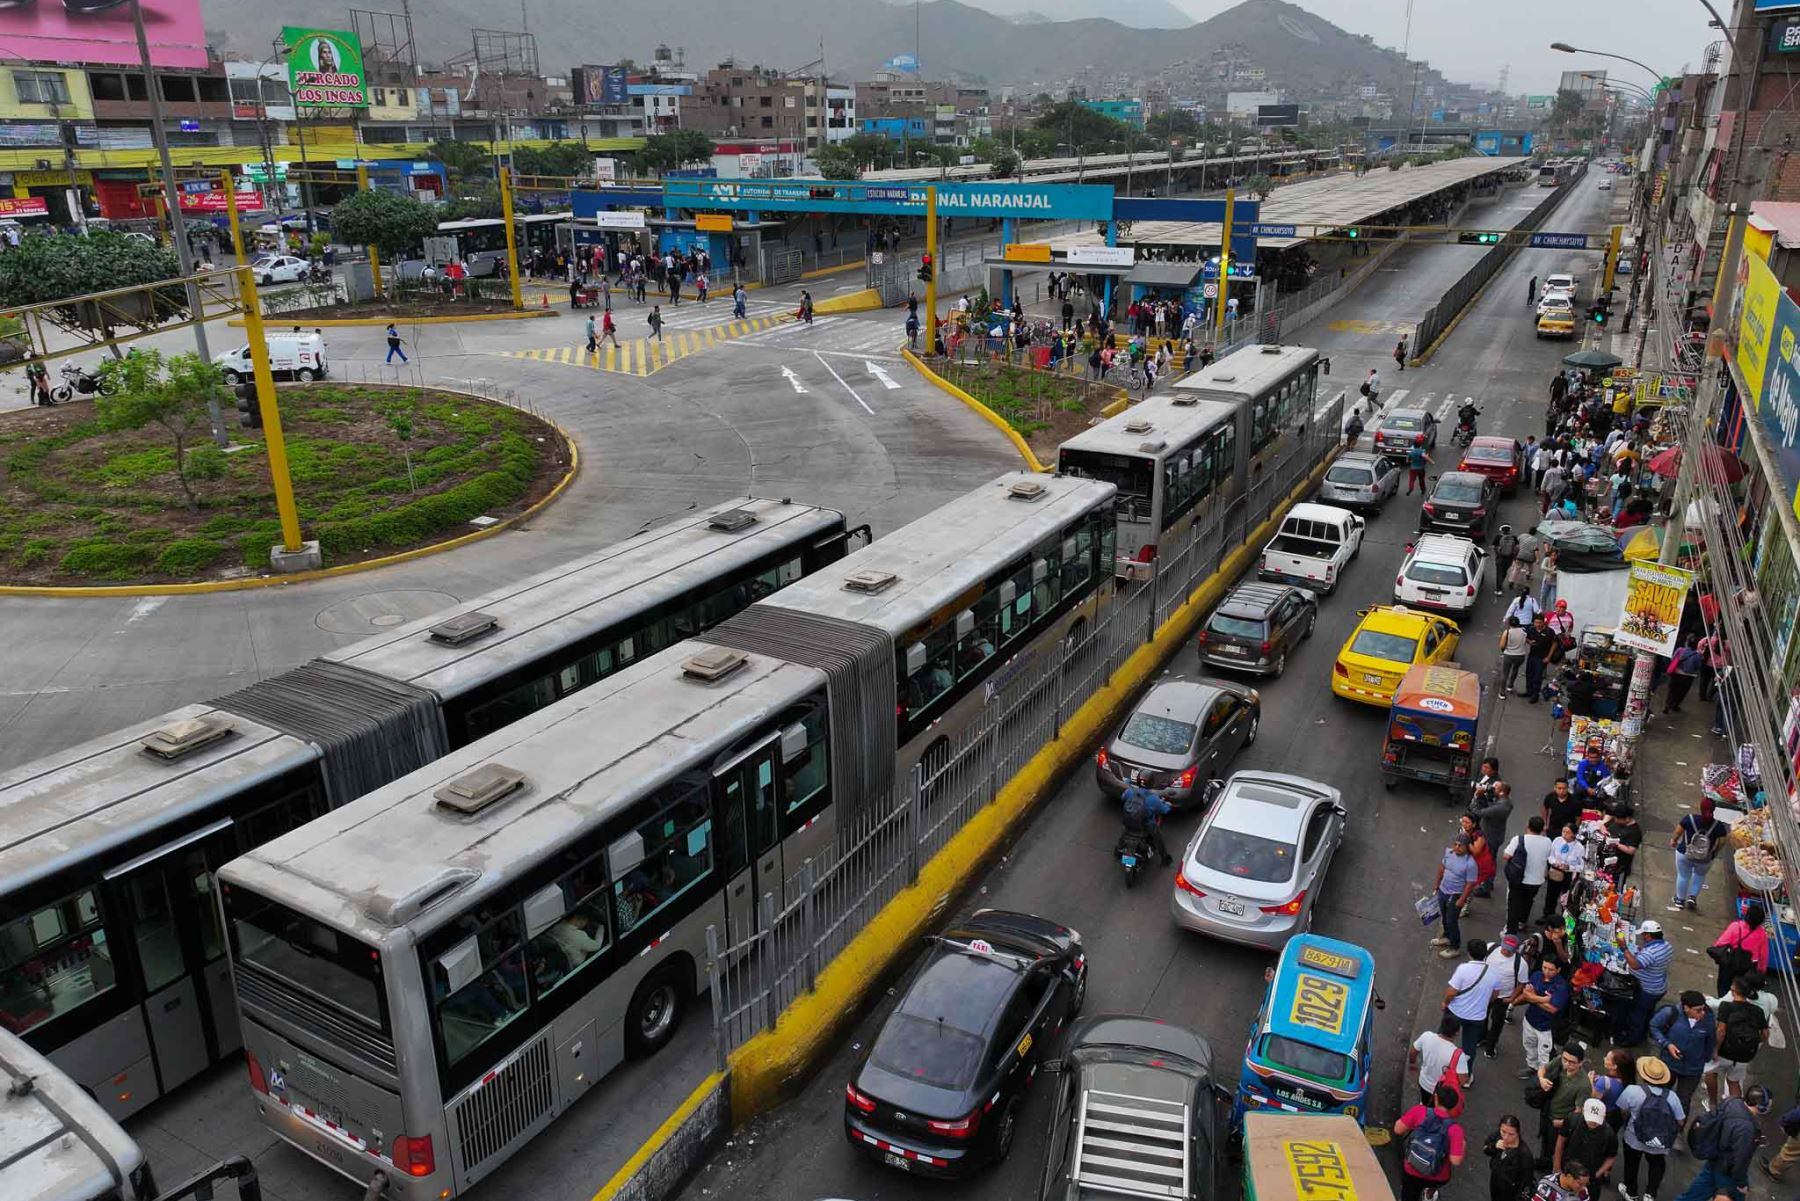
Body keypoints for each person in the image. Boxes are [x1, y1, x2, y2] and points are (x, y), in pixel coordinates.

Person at [1671, 1083, 1770, 1201]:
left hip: (1715, 1158)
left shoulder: (1733, 1102)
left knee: (1695, 1194)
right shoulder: (1747, 1128)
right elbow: (1740, 1160)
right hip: (1727, 1170)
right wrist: (1741, 1184)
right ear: (1760, 1106)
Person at [1618, 1055, 1685, 1201]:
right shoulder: (1672, 1097)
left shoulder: (1632, 1091)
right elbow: (1680, 1121)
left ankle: (1631, 1192)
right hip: (1659, 1142)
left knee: (1631, 1163)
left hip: (1633, 1137)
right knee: (1657, 1165)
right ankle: (1650, 1194)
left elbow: (1623, 1111)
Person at [1650, 991, 1716, 1137]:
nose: (1702, 1013)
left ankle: (1677, 1131)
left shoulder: (1709, 1020)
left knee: (1683, 1101)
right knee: (1660, 1094)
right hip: (1668, 1064)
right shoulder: (1671, 1013)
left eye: (1703, 1009)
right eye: (1698, 1010)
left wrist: (1703, 1059)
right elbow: (1654, 1026)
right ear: (1686, 1008)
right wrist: (1667, 1044)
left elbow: (1710, 1042)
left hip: (1692, 1070)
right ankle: (1653, 1121)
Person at [1393, 1082, 1469, 1201]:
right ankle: (1429, 1193)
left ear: (1436, 1099)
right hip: (1438, 1176)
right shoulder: (1455, 1130)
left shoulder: (1419, 1111)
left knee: (1409, 1194)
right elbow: (1455, 1161)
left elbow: (1398, 1129)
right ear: (1454, 1105)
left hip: (1412, 1168)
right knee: (1433, 1184)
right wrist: (1462, 1145)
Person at [1705, 975, 1770, 1109]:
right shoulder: (1757, 1011)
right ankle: (1734, 1109)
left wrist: (1715, 1050)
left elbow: (1721, 1031)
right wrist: (1754, 1046)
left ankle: (1712, 1103)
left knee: (1710, 1073)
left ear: (1733, 991)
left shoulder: (1726, 1006)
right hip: (1744, 1056)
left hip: (1724, 1052)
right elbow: (1765, 1034)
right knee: (1734, 1083)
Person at [1614, 920, 1672, 1047]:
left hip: (1648, 990)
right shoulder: (1666, 945)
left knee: (1637, 1016)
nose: (1642, 937)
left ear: (1649, 936)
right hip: (1659, 987)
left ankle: (1632, 1039)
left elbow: (1634, 965)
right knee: (1647, 1013)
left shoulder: (1651, 953)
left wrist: (1623, 947)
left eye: (1643, 934)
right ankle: (1643, 1032)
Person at [1537, 1043, 1590, 1170]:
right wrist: (1541, 1080)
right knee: (1544, 1141)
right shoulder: (1561, 1061)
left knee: (1557, 1148)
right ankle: (1544, 1162)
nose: (1567, 1064)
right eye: (1565, 1060)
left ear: (1581, 1063)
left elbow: (1578, 1113)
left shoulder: (1584, 1085)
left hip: (1559, 1122)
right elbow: (1543, 1069)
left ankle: (1553, 1170)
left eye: (1572, 1062)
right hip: (1547, 1111)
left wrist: (1560, 1123)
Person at [1671, 798, 1728, 913]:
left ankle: (1680, 900)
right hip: (1705, 858)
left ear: (1700, 808)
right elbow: (1722, 841)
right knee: (1699, 876)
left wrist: (1673, 840)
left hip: (1685, 853)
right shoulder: (1718, 826)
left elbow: (1678, 832)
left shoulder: (1689, 819)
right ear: (1714, 810)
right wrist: (1714, 852)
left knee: (1683, 876)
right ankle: (1692, 897)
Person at [1518, 956, 1571, 1075]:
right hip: (1530, 1019)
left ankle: (1543, 1077)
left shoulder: (1561, 986)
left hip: (1546, 1027)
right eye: (1544, 967)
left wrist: (1533, 998)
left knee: (1544, 1055)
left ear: (1558, 970)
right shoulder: (1537, 975)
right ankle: (1532, 1067)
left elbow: (1552, 1009)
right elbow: (1526, 993)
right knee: (1529, 1045)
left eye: (1551, 969)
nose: (1546, 971)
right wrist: (1543, 999)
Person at [1446, 940, 1497, 1060]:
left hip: (1456, 1012)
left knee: (1444, 1039)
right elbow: (1494, 996)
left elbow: (1451, 992)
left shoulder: (1463, 969)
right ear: (1485, 953)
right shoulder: (1494, 973)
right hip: (1477, 1017)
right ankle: (1466, 1074)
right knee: (1469, 1049)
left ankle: (1440, 1067)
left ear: (1469, 953)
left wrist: (1445, 1002)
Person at [1413, 1009, 1475, 1106]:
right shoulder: (1458, 1055)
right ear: (1457, 1033)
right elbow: (1463, 1081)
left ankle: (1424, 1107)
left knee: (1425, 1102)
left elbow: (1413, 1050)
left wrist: (1412, 1063)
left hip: (1423, 1082)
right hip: (1442, 1091)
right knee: (1437, 1110)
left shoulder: (1426, 1036)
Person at [1483, 933, 1531, 1058]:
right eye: (1504, 947)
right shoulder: (1490, 948)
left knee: (1497, 1022)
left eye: (1509, 950)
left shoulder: (1521, 964)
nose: (1505, 951)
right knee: (1481, 1017)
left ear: (1515, 950)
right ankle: (1481, 1037)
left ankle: (1491, 1046)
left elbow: (1521, 983)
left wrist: (1512, 998)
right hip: (1485, 993)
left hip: (1502, 998)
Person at [1504, 817, 1554, 935]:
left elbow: (1506, 855)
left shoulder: (1519, 839)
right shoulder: (1547, 841)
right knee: (1528, 900)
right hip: (1537, 880)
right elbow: (1549, 857)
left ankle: (1511, 932)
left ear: (1528, 826)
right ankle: (1522, 921)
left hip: (1519, 879)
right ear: (1542, 829)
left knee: (1514, 904)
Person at [1434, 838, 1481, 959]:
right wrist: (1437, 884)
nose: (1457, 847)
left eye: (1461, 845)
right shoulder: (1449, 853)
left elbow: (1470, 884)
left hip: (1455, 895)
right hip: (1443, 890)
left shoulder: (1470, 864)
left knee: (1451, 921)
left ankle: (1455, 947)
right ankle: (1446, 937)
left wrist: (1462, 899)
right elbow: (1442, 868)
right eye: (1456, 844)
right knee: (1444, 917)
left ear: (1467, 847)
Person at [1711, 902, 1770, 994]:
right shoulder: (1762, 935)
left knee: (1724, 985)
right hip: (1748, 967)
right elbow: (1763, 956)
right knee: (1741, 990)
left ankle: (1723, 1001)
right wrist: (1761, 970)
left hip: (1730, 963)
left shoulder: (1735, 926)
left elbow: (1720, 943)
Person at [1558, 1099, 1617, 1191]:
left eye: (1596, 1120)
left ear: (1604, 1116)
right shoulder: (1572, 1120)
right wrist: (1556, 1166)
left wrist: (1596, 1175)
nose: (1593, 1122)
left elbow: (1611, 1157)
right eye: (1590, 1118)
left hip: (1590, 1178)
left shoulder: (1609, 1134)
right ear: (1583, 1111)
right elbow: (1561, 1141)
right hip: (1567, 1171)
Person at [1119, 783, 1172, 867]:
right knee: (1158, 838)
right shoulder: (1153, 799)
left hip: (1129, 823)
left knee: (1124, 833)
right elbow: (1165, 810)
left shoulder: (1130, 791)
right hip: (1146, 826)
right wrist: (1168, 805)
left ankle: (1118, 850)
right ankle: (1165, 858)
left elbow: (1122, 797)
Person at [1489, 1115, 1537, 1201]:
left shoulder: (1524, 1155)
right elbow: (1486, 1149)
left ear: (1518, 1133)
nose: (1506, 1137)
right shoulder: (1498, 1137)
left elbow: (1526, 1183)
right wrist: (1494, 1146)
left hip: (1511, 1193)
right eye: (1503, 1131)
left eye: (1511, 1134)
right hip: (1495, 1183)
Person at [1603, 805, 1643, 889]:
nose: (1616, 820)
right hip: (1607, 861)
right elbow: (1605, 825)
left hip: (1620, 867)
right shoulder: (1617, 822)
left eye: (1618, 819)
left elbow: (1631, 850)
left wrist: (1615, 843)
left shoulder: (1635, 832)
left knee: (1614, 888)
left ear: (1627, 818)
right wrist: (1603, 829)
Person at [1663, 636, 1704, 713]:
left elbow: (1673, 659)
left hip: (1676, 674)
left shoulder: (1680, 650)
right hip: (1688, 676)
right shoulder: (1698, 656)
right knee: (1682, 692)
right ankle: (1675, 705)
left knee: (1672, 690)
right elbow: (1698, 667)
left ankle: (1667, 706)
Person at [1500, 617, 1531, 696]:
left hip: (1509, 655)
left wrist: (1503, 650)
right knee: (1515, 670)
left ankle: (1502, 693)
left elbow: (1502, 645)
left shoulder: (1507, 632)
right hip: (1520, 655)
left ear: (1509, 623)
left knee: (1505, 673)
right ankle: (1510, 686)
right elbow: (1527, 641)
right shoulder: (1523, 631)